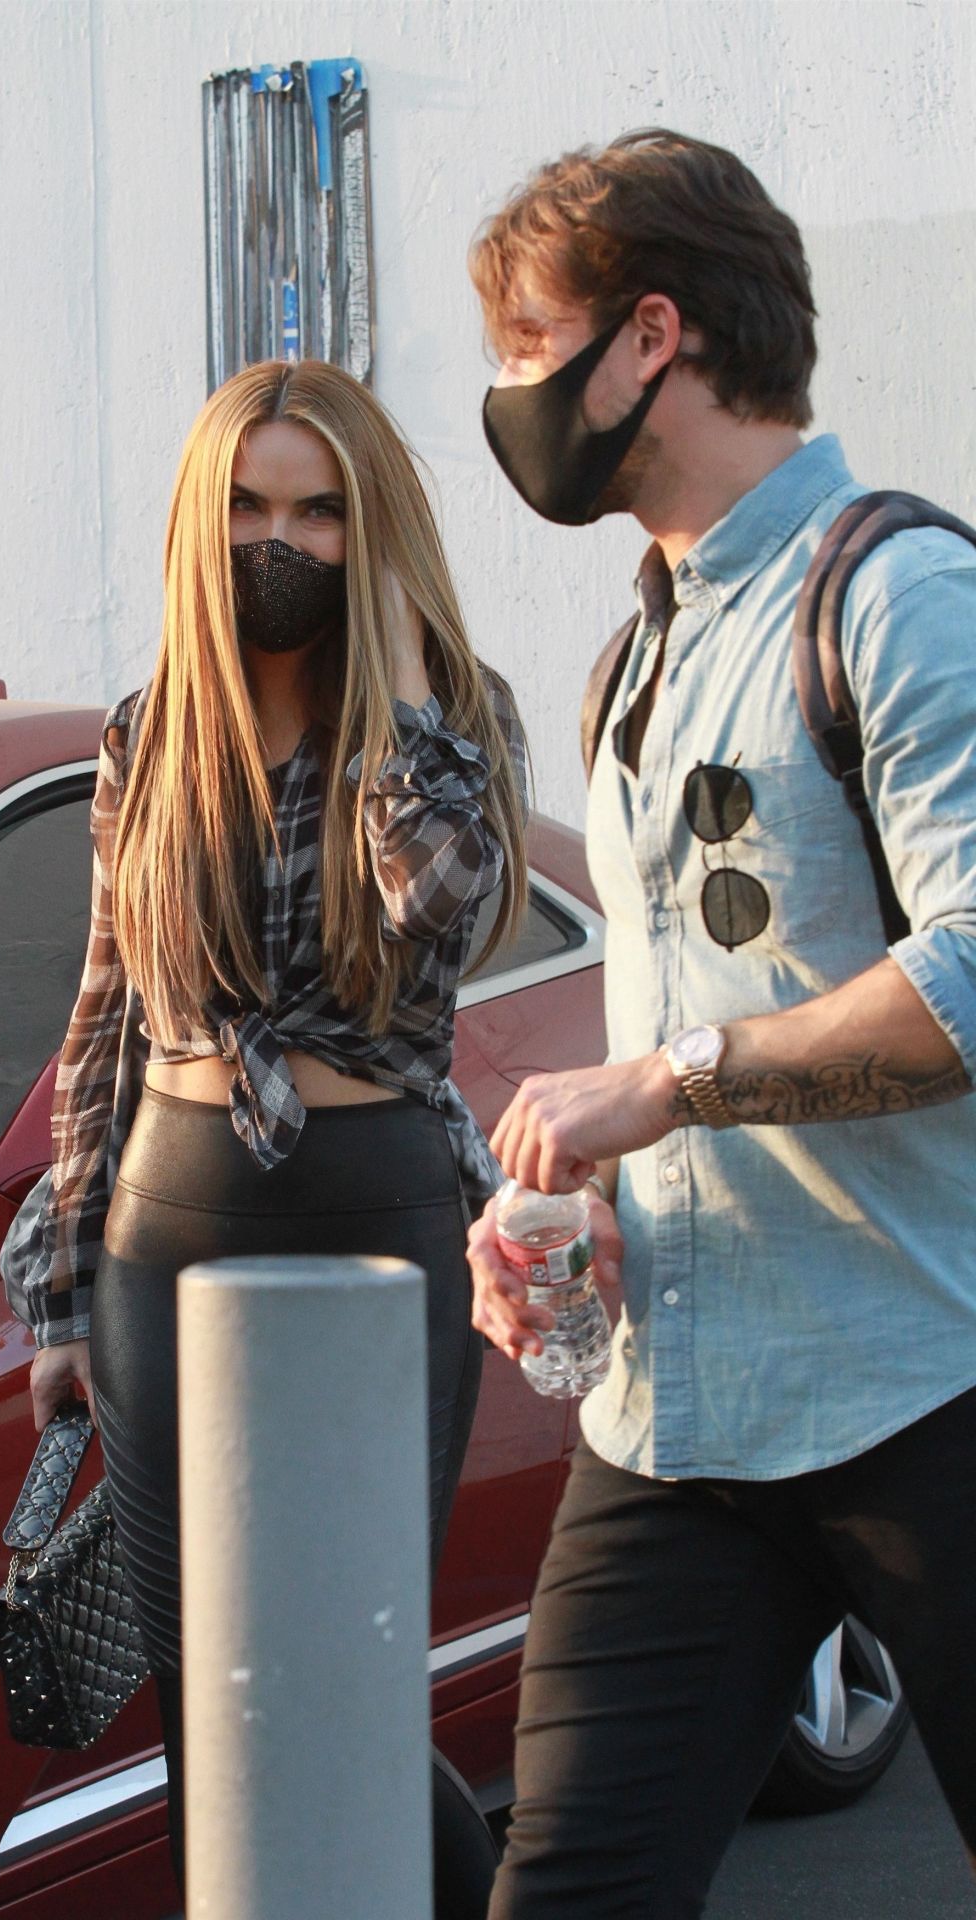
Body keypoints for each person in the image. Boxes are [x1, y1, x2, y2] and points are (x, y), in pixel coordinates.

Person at [465, 129, 976, 1914]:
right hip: (672, 1423)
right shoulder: (639, 651)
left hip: (931, 1387)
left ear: (650, 339)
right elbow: (686, 1001)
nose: (507, 394)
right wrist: (577, 1207)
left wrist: (670, 1089)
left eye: (528, 344)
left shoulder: (902, 594)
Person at [11, 357, 529, 1904]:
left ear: (370, 533)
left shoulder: (451, 719)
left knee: (355, 1685)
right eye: (247, 505)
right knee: (212, 1721)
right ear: (200, 520)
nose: (278, 541)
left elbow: (439, 918)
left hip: (381, 1219)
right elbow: (104, 1019)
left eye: (319, 511)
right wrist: (56, 1298)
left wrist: (389, 680)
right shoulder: (149, 733)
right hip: (168, 1228)